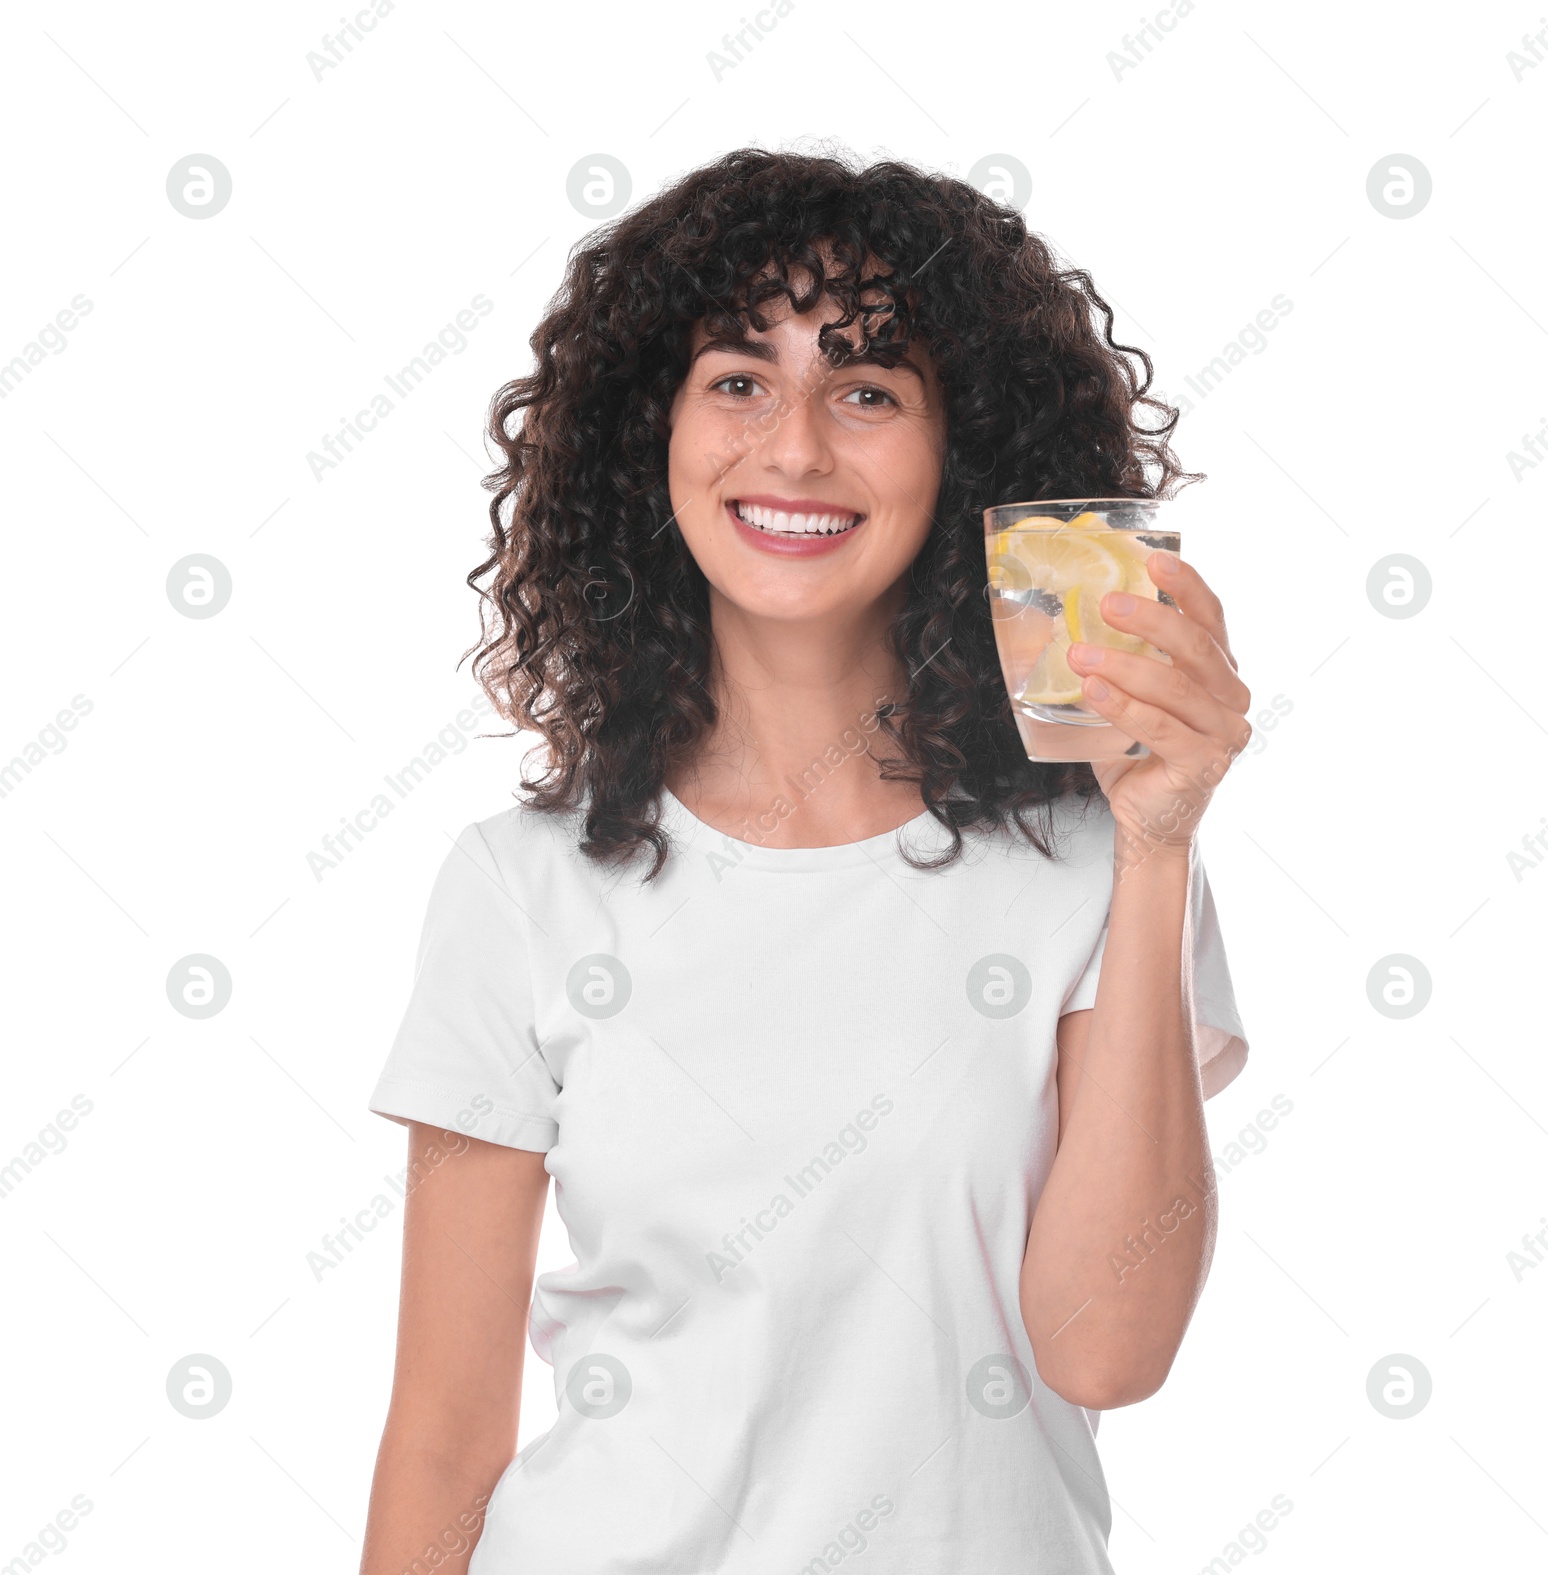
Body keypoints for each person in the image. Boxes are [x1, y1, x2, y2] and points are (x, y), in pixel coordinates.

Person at [358, 145, 1252, 1575]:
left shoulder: (1097, 857)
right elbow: (446, 1436)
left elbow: (1107, 1350)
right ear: (649, 432)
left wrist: (1157, 852)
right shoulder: (518, 892)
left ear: (964, 452)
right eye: (737, 379)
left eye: (867, 388)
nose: (793, 448)